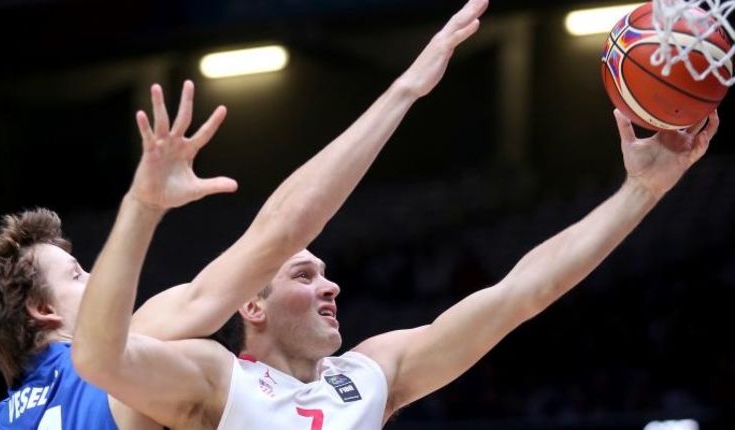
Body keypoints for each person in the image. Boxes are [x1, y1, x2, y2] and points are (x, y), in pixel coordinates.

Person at [71, 1, 722, 430]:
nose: (330, 286)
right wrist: (142, 207)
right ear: (252, 307)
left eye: (323, 274)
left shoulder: (373, 376)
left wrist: (642, 193)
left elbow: (523, 293)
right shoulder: (215, 382)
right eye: (303, 276)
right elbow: (102, 361)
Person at [0, 80, 239, 429]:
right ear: (44, 310)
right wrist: (144, 205)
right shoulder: (121, 356)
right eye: (77, 275)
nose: (96, 279)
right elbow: (211, 292)